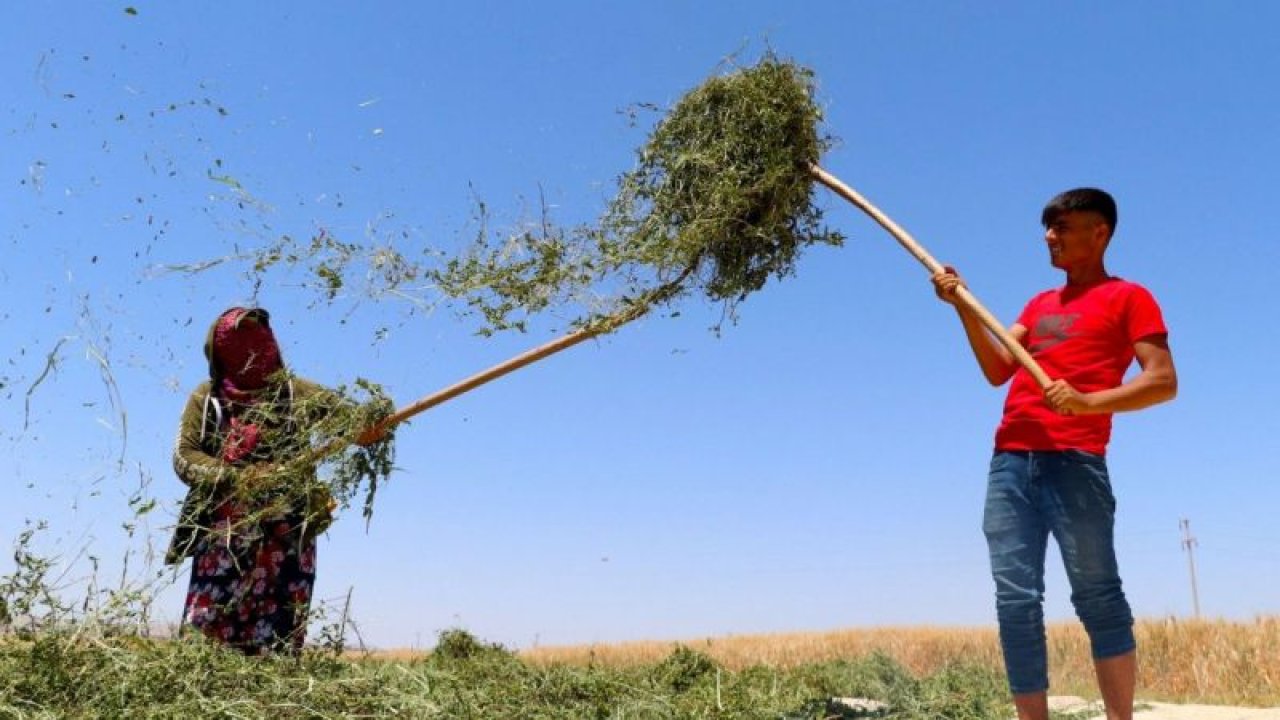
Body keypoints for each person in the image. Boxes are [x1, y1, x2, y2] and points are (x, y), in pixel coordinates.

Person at [932, 188, 1177, 720]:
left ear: (1100, 232)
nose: (1050, 237)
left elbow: (1162, 382)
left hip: (1076, 463)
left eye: (1063, 227)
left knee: (1097, 596)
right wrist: (963, 307)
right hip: (1010, 465)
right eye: (1048, 227)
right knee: (1016, 604)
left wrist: (1089, 403)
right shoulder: (1039, 305)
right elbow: (999, 370)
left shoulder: (1130, 297)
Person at [165, 307, 385, 655]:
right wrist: (240, 478)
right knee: (206, 643)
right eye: (241, 340)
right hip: (223, 542)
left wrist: (370, 425)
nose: (254, 349)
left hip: (287, 542)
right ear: (221, 349)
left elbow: (353, 421)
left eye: (260, 338)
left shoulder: (296, 393)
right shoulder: (207, 399)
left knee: (277, 646)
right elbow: (184, 457)